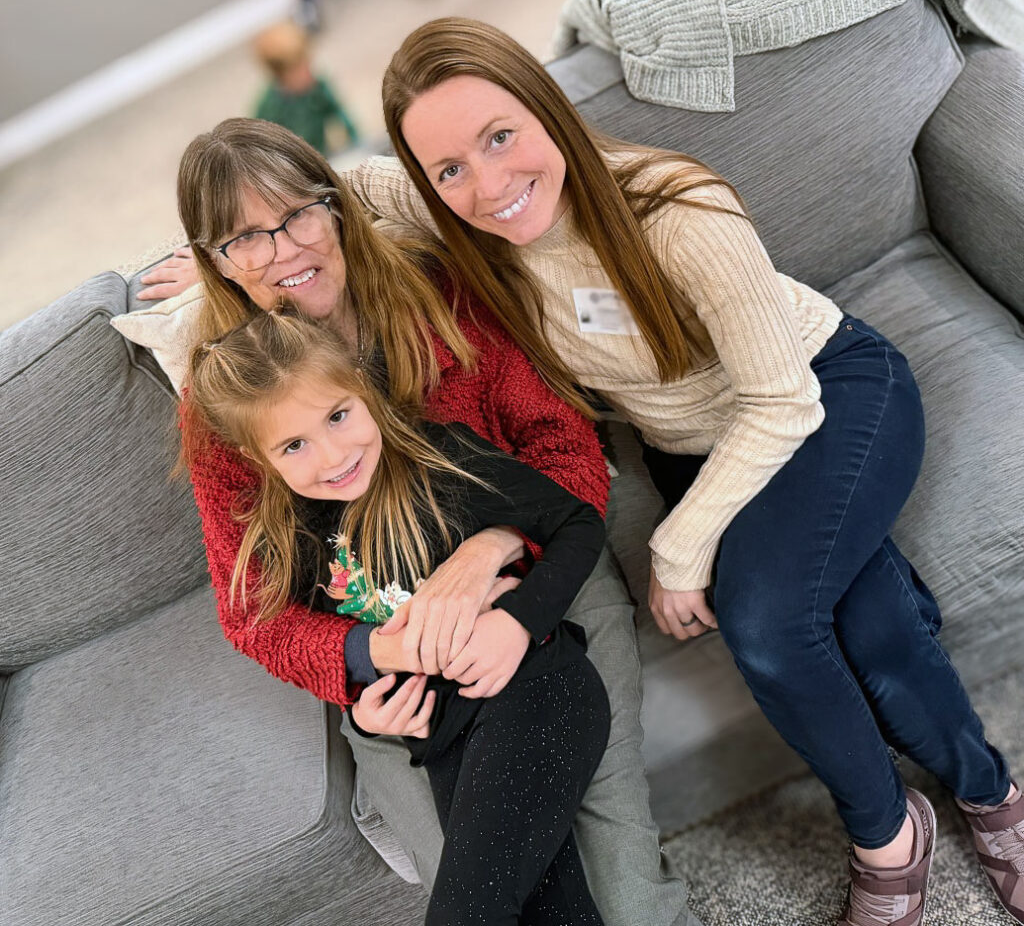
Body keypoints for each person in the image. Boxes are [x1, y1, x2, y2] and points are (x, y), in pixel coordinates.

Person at [319, 16, 1022, 926]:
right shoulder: (462, 220)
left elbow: (781, 401)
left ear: (545, 109)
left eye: (501, 137)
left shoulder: (677, 212)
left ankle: (901, 833)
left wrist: (681, 547)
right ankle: (978, 799)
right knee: (870, 608)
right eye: (448, 168)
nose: (488, 185)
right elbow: (331, 186)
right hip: (694, 447)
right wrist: (241, 247)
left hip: (823, 396)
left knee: (770, 624)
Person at [172, 118, 702, 926]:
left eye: (297, 216)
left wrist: (491, 553)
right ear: (216, 261)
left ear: (336, 204)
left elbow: (564, 445)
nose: (283, 252)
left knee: (624, 901)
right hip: (397, 662)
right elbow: (255, 613)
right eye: (246, 239)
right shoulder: (225, 402)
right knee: (480, 882)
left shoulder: (438, 289)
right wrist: (369, 662)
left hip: (539, 573)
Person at [182, 307, 610, 924]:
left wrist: (516, 619)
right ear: (257, 456)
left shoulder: (445, 462)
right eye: (295, 444)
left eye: (338, 415)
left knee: (468, 913)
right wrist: (371, 710)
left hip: (538, 695)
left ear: (362, 388)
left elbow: (577, 524)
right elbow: (335, 637)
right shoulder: (296, 542)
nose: (333, 455)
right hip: (443, 743)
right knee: (555, 913)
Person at [252, 21, 359, 155]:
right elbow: (261, 147)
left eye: (309, 64)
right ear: (282, 76)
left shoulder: (318, 85)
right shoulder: (269, 109)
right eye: (301, 70)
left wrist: (357, 143)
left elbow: (340, 113)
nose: (309, 73)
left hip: (320, 153)